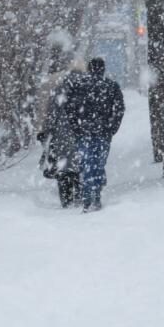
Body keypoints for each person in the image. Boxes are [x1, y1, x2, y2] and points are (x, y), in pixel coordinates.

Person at [64, 56, 125, 212]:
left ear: (89, 69)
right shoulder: (111, 86)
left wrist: (75, 127)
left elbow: (69, 109)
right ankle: (96, 196)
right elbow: (118, 110)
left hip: (83, 132)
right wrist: (112, 128)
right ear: (103, 69)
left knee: (86, 164)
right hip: (103, 133)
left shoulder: (77, 85)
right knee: (98, 163)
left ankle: (86, 199)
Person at [36, 58, 83, 208]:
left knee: (63, 166)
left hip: (61, 134)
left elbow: (51, 114)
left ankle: (66, 198)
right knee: (79, 165)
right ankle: (79, 195)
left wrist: (47, 130)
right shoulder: (87, 88)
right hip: (80, 133)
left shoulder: (59, 89)